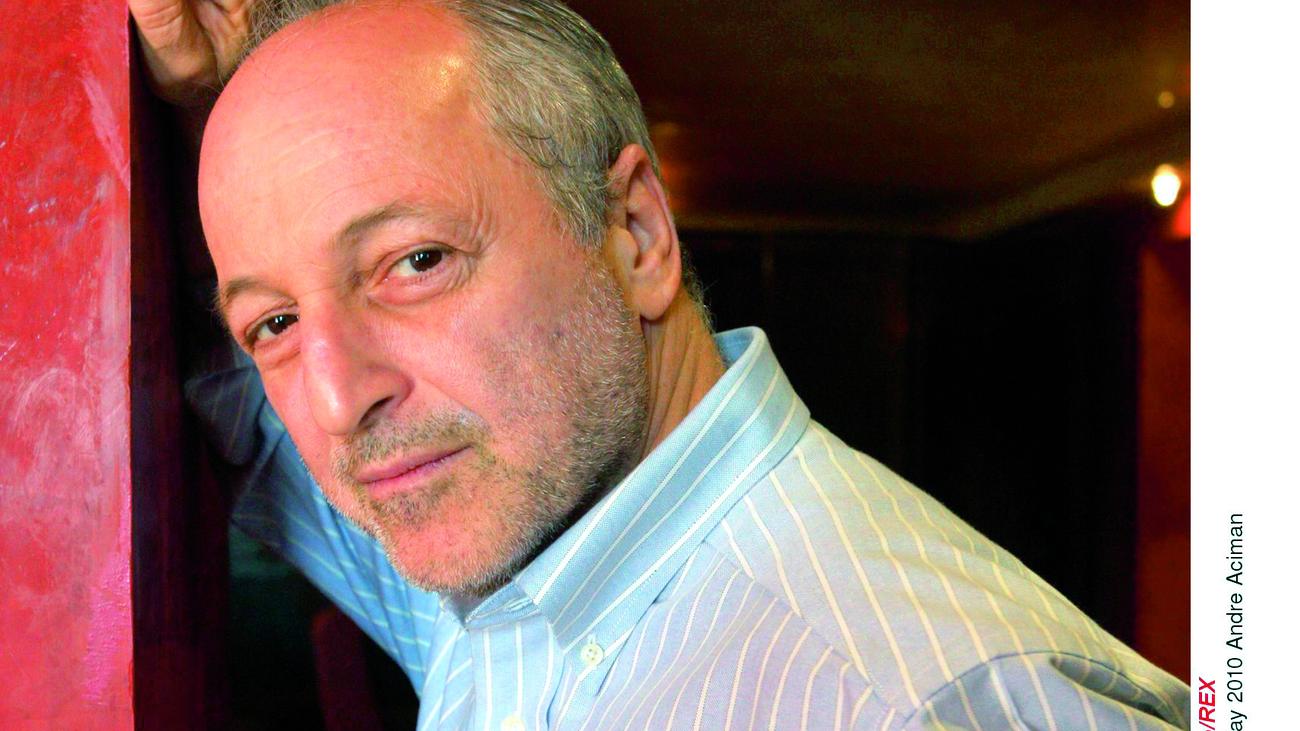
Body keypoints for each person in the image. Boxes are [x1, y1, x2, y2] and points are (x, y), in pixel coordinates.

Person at [132, 0, 1190, 727]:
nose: (334, 397)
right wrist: (200, 96)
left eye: (415, 262)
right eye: (275, 323)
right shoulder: (516, 575)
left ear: (635, 235)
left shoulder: (913, 698)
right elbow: (235, 405)